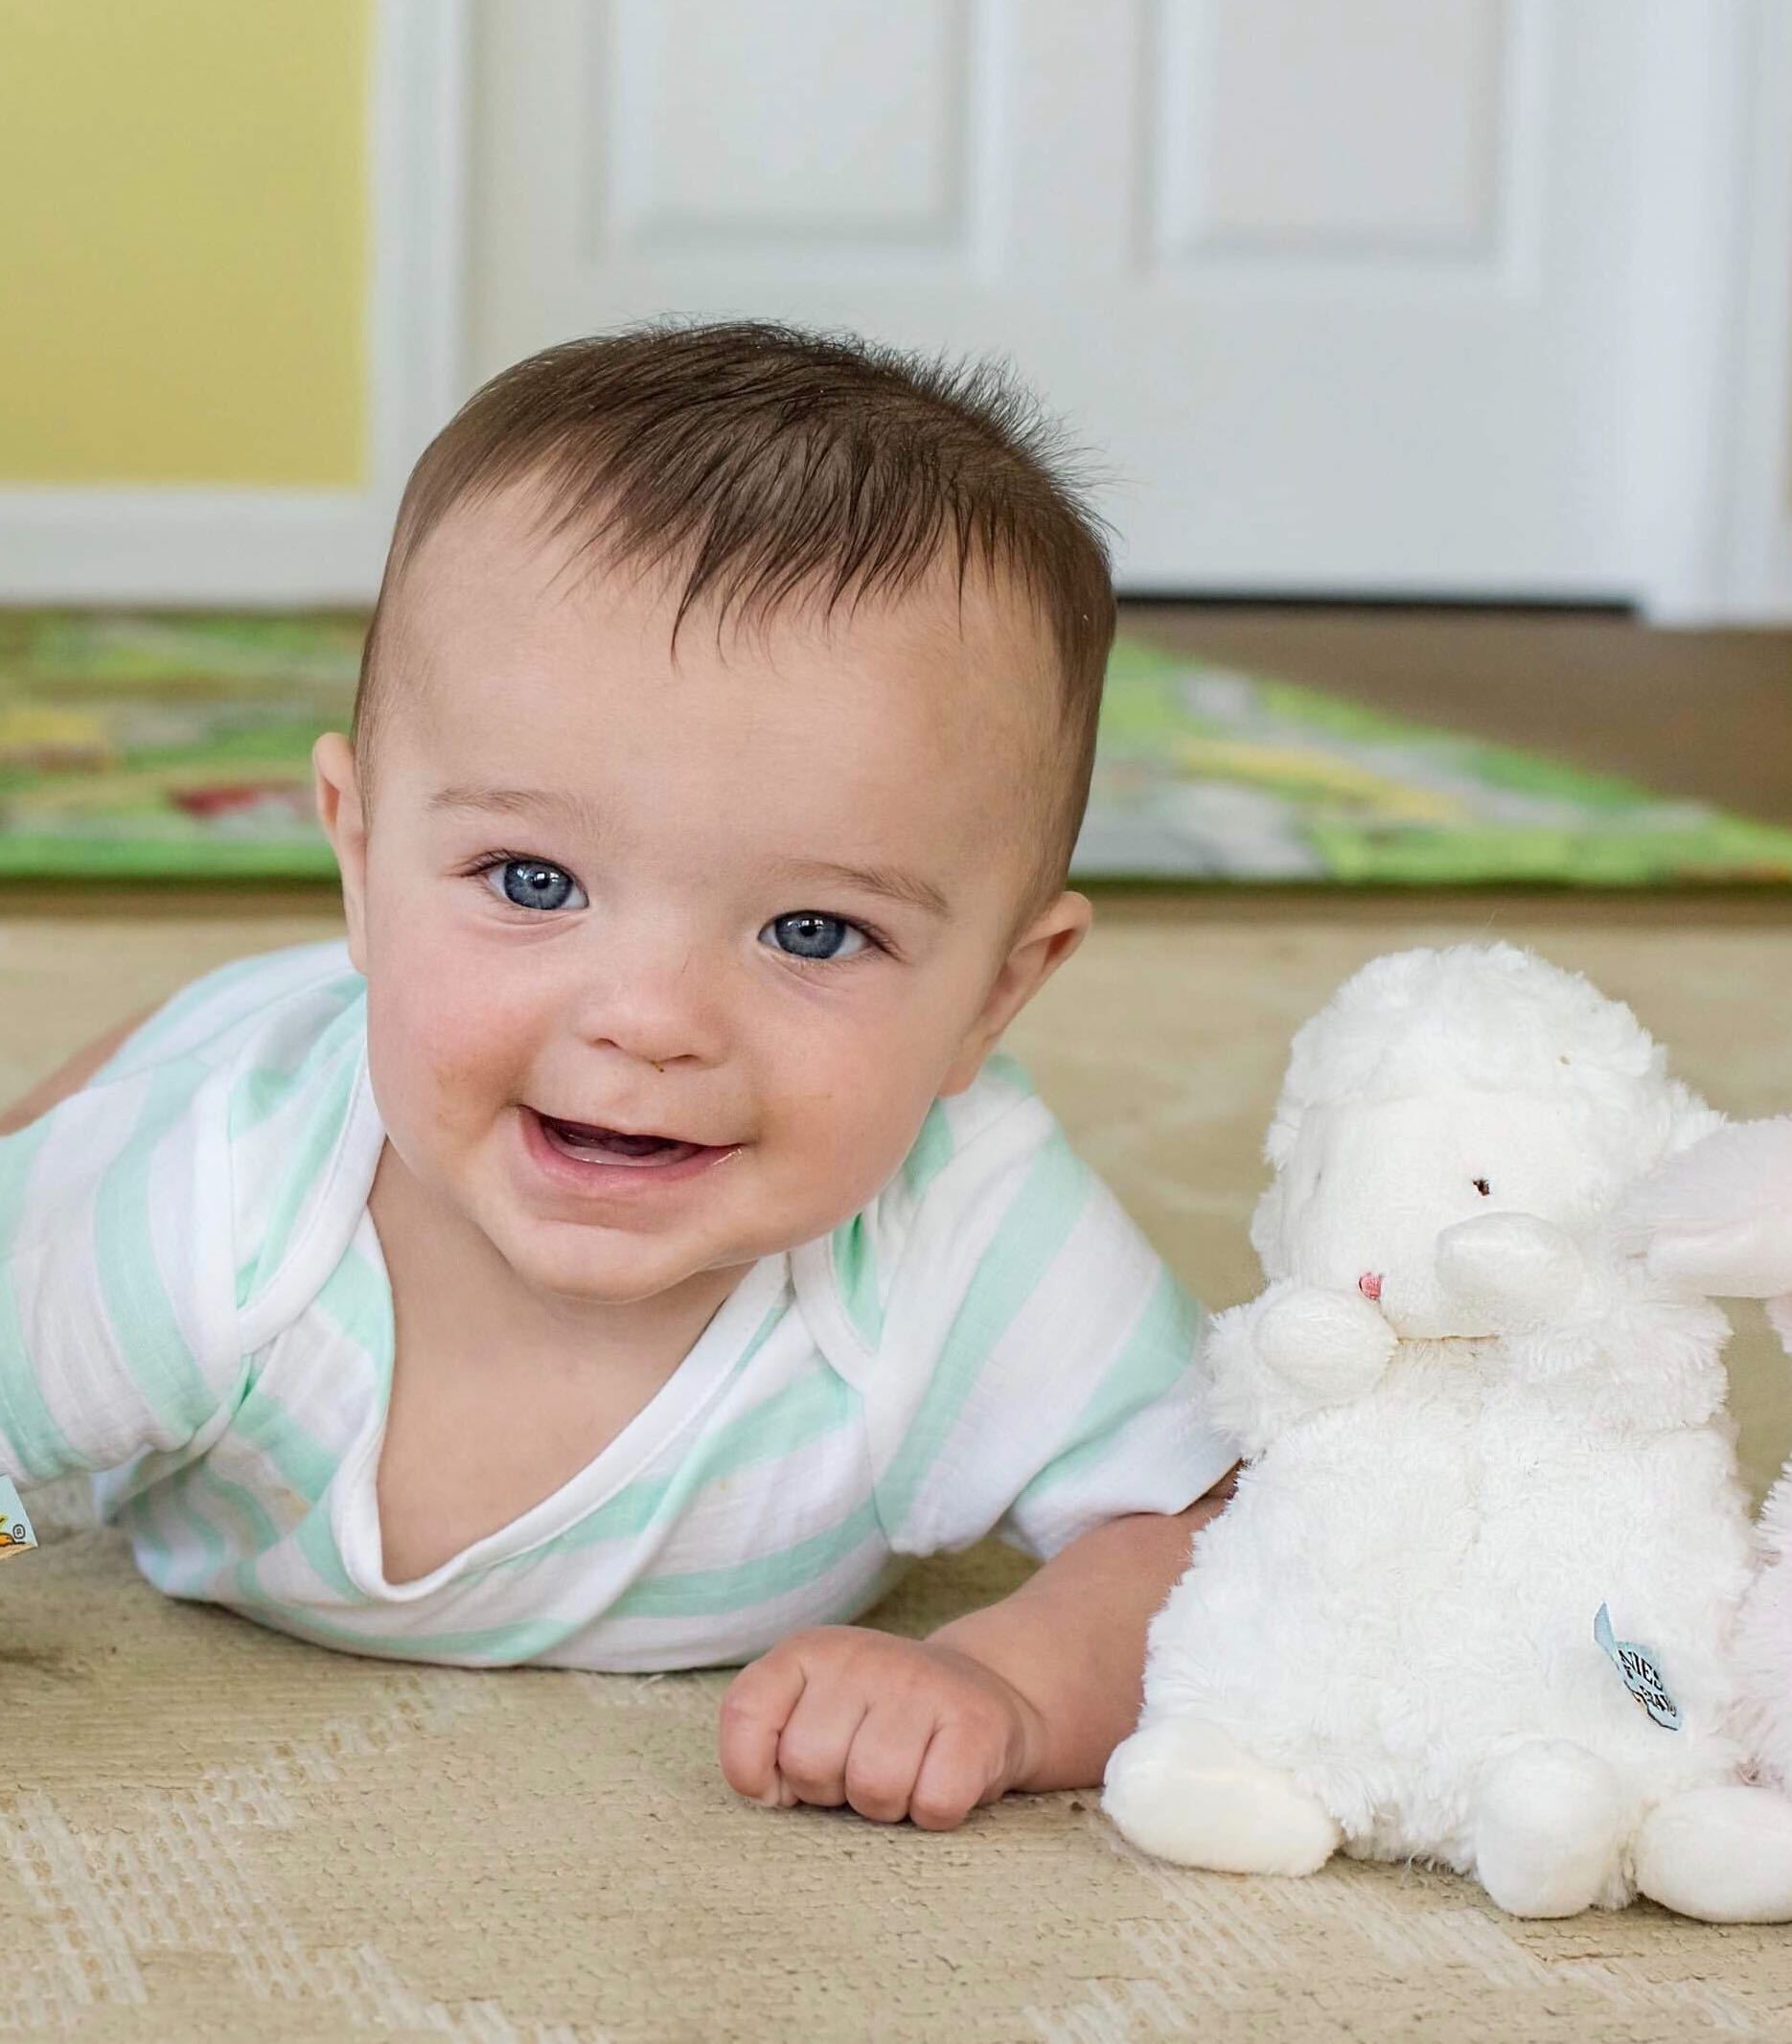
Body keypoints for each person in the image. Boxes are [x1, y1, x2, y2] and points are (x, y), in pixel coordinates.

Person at [0, 322, 1235, 1829]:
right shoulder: (205, 1203)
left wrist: (1010, 1678)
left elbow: (1222, 1530)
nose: (649, 1021)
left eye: (811, 930)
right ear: (363, 859)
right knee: (69, 1136)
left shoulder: (961, 1229)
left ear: (994, 992)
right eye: (532, 879)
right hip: (226, 1061)